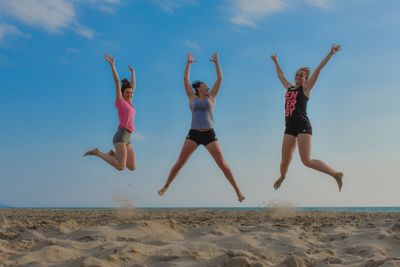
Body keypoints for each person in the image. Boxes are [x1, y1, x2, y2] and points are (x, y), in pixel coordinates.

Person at [158, 53, 245, 202]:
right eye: (205, 85)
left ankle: (238, 192)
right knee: (180, 163)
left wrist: (217, 62)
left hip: (209, 134)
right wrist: (189, 63)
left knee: (223, 164)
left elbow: (220, 79)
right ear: (199, 88)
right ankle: (166, 186)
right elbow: (185, 80)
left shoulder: (212, 97)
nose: (207, 86)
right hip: (194, 134)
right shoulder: (192, 97)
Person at [271, 44, 343, 191]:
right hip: (289, 127)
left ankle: (336, 174)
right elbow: (280, 75)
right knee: (284, 162)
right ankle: (283, 176)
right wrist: (276, 62)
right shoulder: (289, 88)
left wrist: (331, 54)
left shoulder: (306, 88)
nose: (298, 77)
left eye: (301, 76)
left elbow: (318, 70)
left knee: (306, 160)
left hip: (303, 126)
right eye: (297, 74)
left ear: (306, 79)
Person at [84, 53, 137, 171]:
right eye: (127, 92)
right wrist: (113, 65)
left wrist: (133, 73)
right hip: (121, 135)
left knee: (132, 166)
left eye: (131, 93)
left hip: (129, 136)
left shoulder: (130, 103)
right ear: (123, 93)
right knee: (120, 166)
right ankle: (97, 153)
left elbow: (133, 85)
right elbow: (117, 82)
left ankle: (112, 154)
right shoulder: (121, 102)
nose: (130, 94)